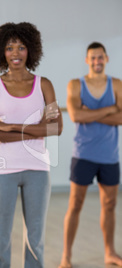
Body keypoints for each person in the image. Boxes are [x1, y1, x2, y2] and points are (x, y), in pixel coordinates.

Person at [0, 22, 63, 268]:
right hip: (3, 170)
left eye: (21, 47)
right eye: (9, 48)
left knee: (35, 239)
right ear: (1, 52)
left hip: (37, 169)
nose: (15, 53)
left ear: (31, 50)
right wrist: (34, 131)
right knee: (0, 238)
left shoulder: (44, 85)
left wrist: (8, 127)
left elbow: (56, 128)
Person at [58, 42, 122, 268]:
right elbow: (75, 115)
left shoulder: (116, 85)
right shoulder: (76, 84)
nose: (97, 61)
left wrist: (90, 113)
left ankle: (110, 253)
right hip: (83, 154)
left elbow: (121, 118)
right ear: (87, 60)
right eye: (92, 58)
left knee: (110, 205)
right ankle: (66, 256)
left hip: (110, 156)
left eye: (100, 57)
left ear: (106, 58)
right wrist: (109, 109)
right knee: (75, 204)